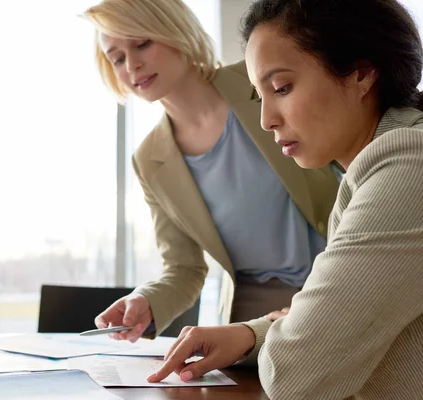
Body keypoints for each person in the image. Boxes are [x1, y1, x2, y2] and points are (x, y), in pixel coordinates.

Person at [147, 0, 423, 398]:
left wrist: (289, 324)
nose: (266, 121)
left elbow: (297, 375)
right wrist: (252, 333)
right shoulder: (377, 167)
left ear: (362, 74)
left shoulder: (405, 169)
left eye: (282, 88)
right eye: (261, 97)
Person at [82, 0, 339, 343]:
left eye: (142, 43)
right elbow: (184, 269)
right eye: (117, 58)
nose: (132, 64)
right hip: (249, 318)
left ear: (175, 31)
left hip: (335, 284)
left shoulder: (260, 80)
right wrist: (146, 300)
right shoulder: (149, 160)